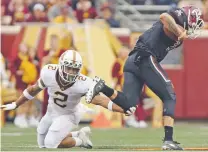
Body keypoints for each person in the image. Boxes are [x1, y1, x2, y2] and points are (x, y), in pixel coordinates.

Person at [85, 6, 204, 150]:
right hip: (145, 57)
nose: (194, 27)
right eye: (195, 22)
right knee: (170, 96)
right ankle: (168, 140)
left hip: (133, 60)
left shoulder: (180, 37)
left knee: (128, 106)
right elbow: (164, 17)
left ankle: (101, 86)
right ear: (188, 18)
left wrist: (179, 32)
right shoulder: (176, 17)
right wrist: (179, 30)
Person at [1, 50, 134, 149]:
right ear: (61, 65)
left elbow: (101, 100)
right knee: (42, 142)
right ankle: (78, 134)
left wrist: (122, 109)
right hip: (52, 111)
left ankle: (81, 142)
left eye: (74, 69)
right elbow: (34, 89)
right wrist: (15, 104)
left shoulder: (83, 82)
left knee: (50, 143)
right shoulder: (49, 72)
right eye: (68, 67)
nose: (71, 72)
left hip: (69, 114)